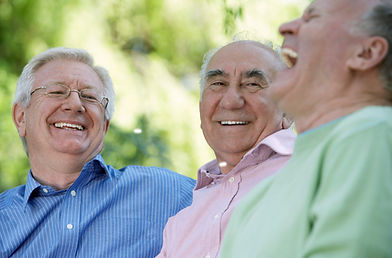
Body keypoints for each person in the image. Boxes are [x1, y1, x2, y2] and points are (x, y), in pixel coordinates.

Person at [220, 0, 392, 257]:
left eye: (312, 18)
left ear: (365, 53)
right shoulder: (259, 198)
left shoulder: (371, 132)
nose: (285, 27)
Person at [0, 47, 195, 257]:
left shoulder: (166, 192)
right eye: (56, 91)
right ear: (21, 117)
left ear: (104, 126)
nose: (75, 104)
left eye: (90, 97)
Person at [157, 40, 296, 258]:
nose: (231, 101)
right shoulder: (181, 224)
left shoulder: (317, 171)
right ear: (202, 107)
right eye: (218, 84)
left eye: (252, 84)